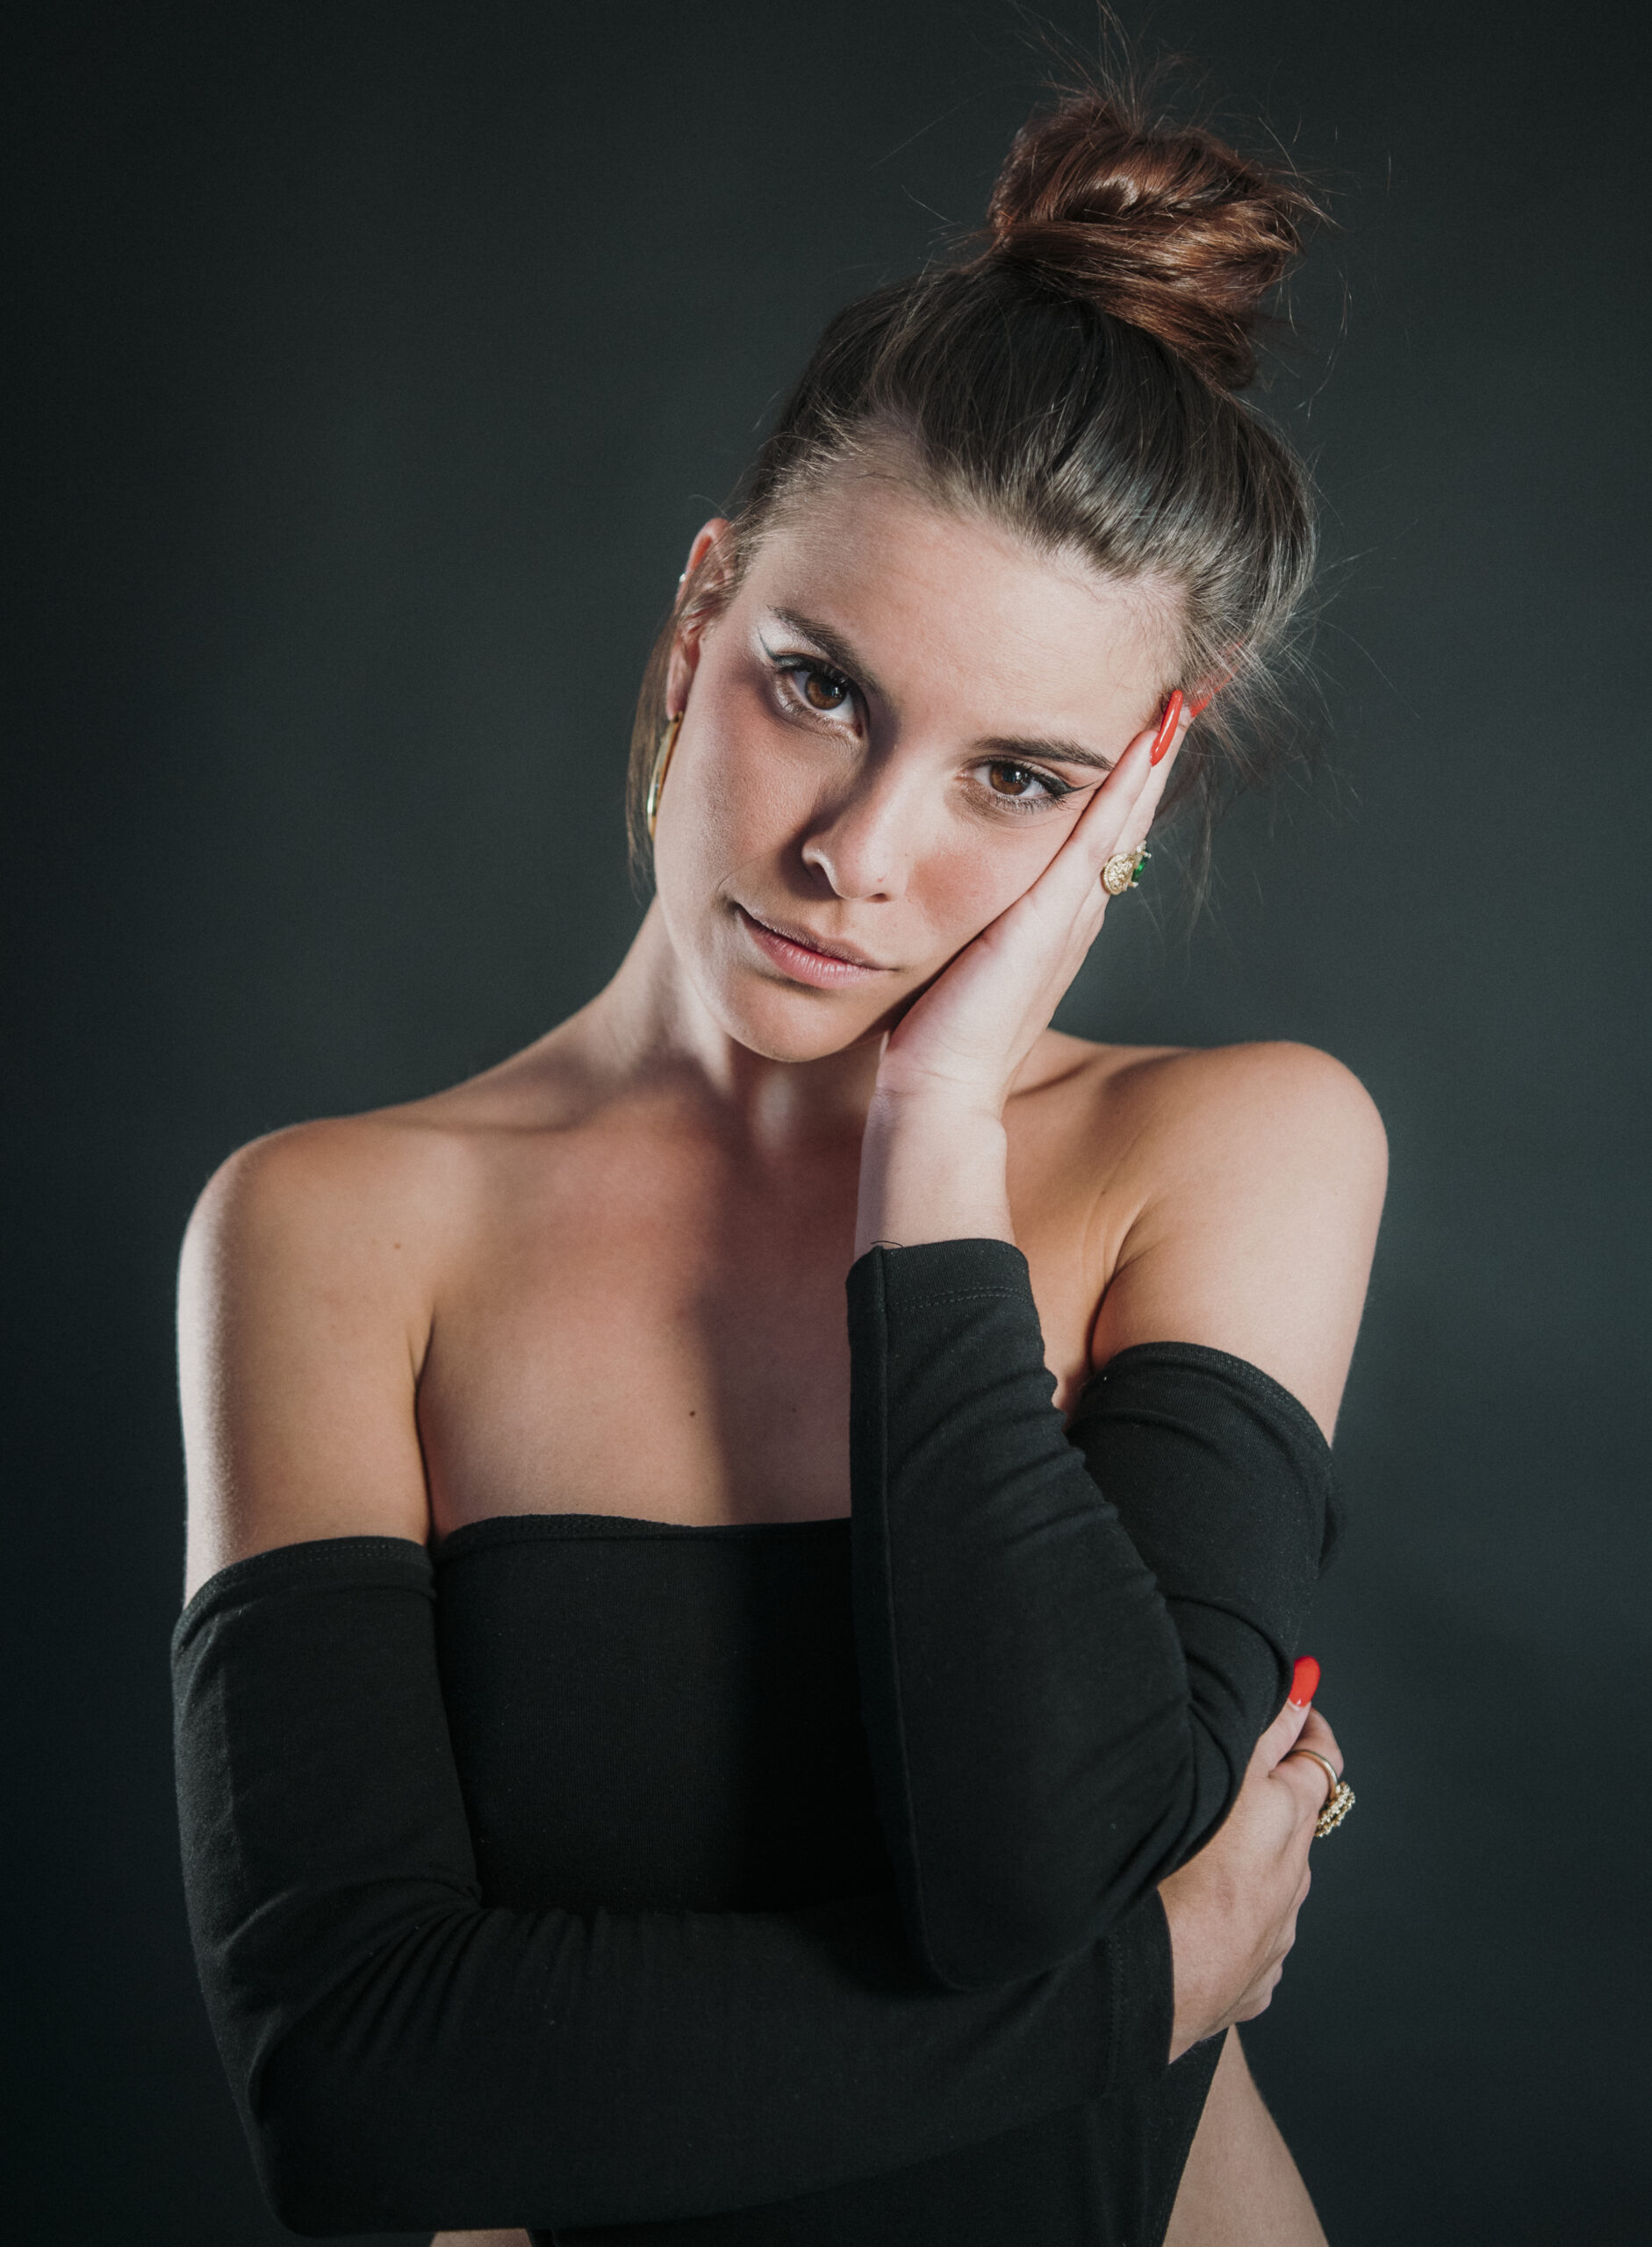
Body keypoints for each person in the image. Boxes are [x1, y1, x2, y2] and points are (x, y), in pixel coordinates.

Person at [173, 80, 1383, 2247]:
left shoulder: (1229, 1149)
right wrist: (1143, 1986)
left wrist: (931, 1137)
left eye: (1016, 777)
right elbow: (354, 2088)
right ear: (698, 613)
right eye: (817, 688)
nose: (858, 852)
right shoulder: (335, 1227)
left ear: (1128, 804)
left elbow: (1050, 1863)